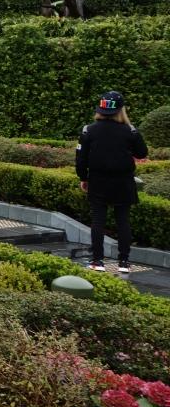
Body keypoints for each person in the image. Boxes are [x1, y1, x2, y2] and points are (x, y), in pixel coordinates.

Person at [76, 91, 148, 273]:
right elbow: (142, 153)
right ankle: (124, 262)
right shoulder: (129, 131)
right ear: (121, 110)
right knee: (123, 221)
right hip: (123, 181)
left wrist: (83, 178)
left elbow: (81, 159)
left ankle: (97, 261)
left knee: (98, 220)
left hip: (98, 180)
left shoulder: (89, 130)